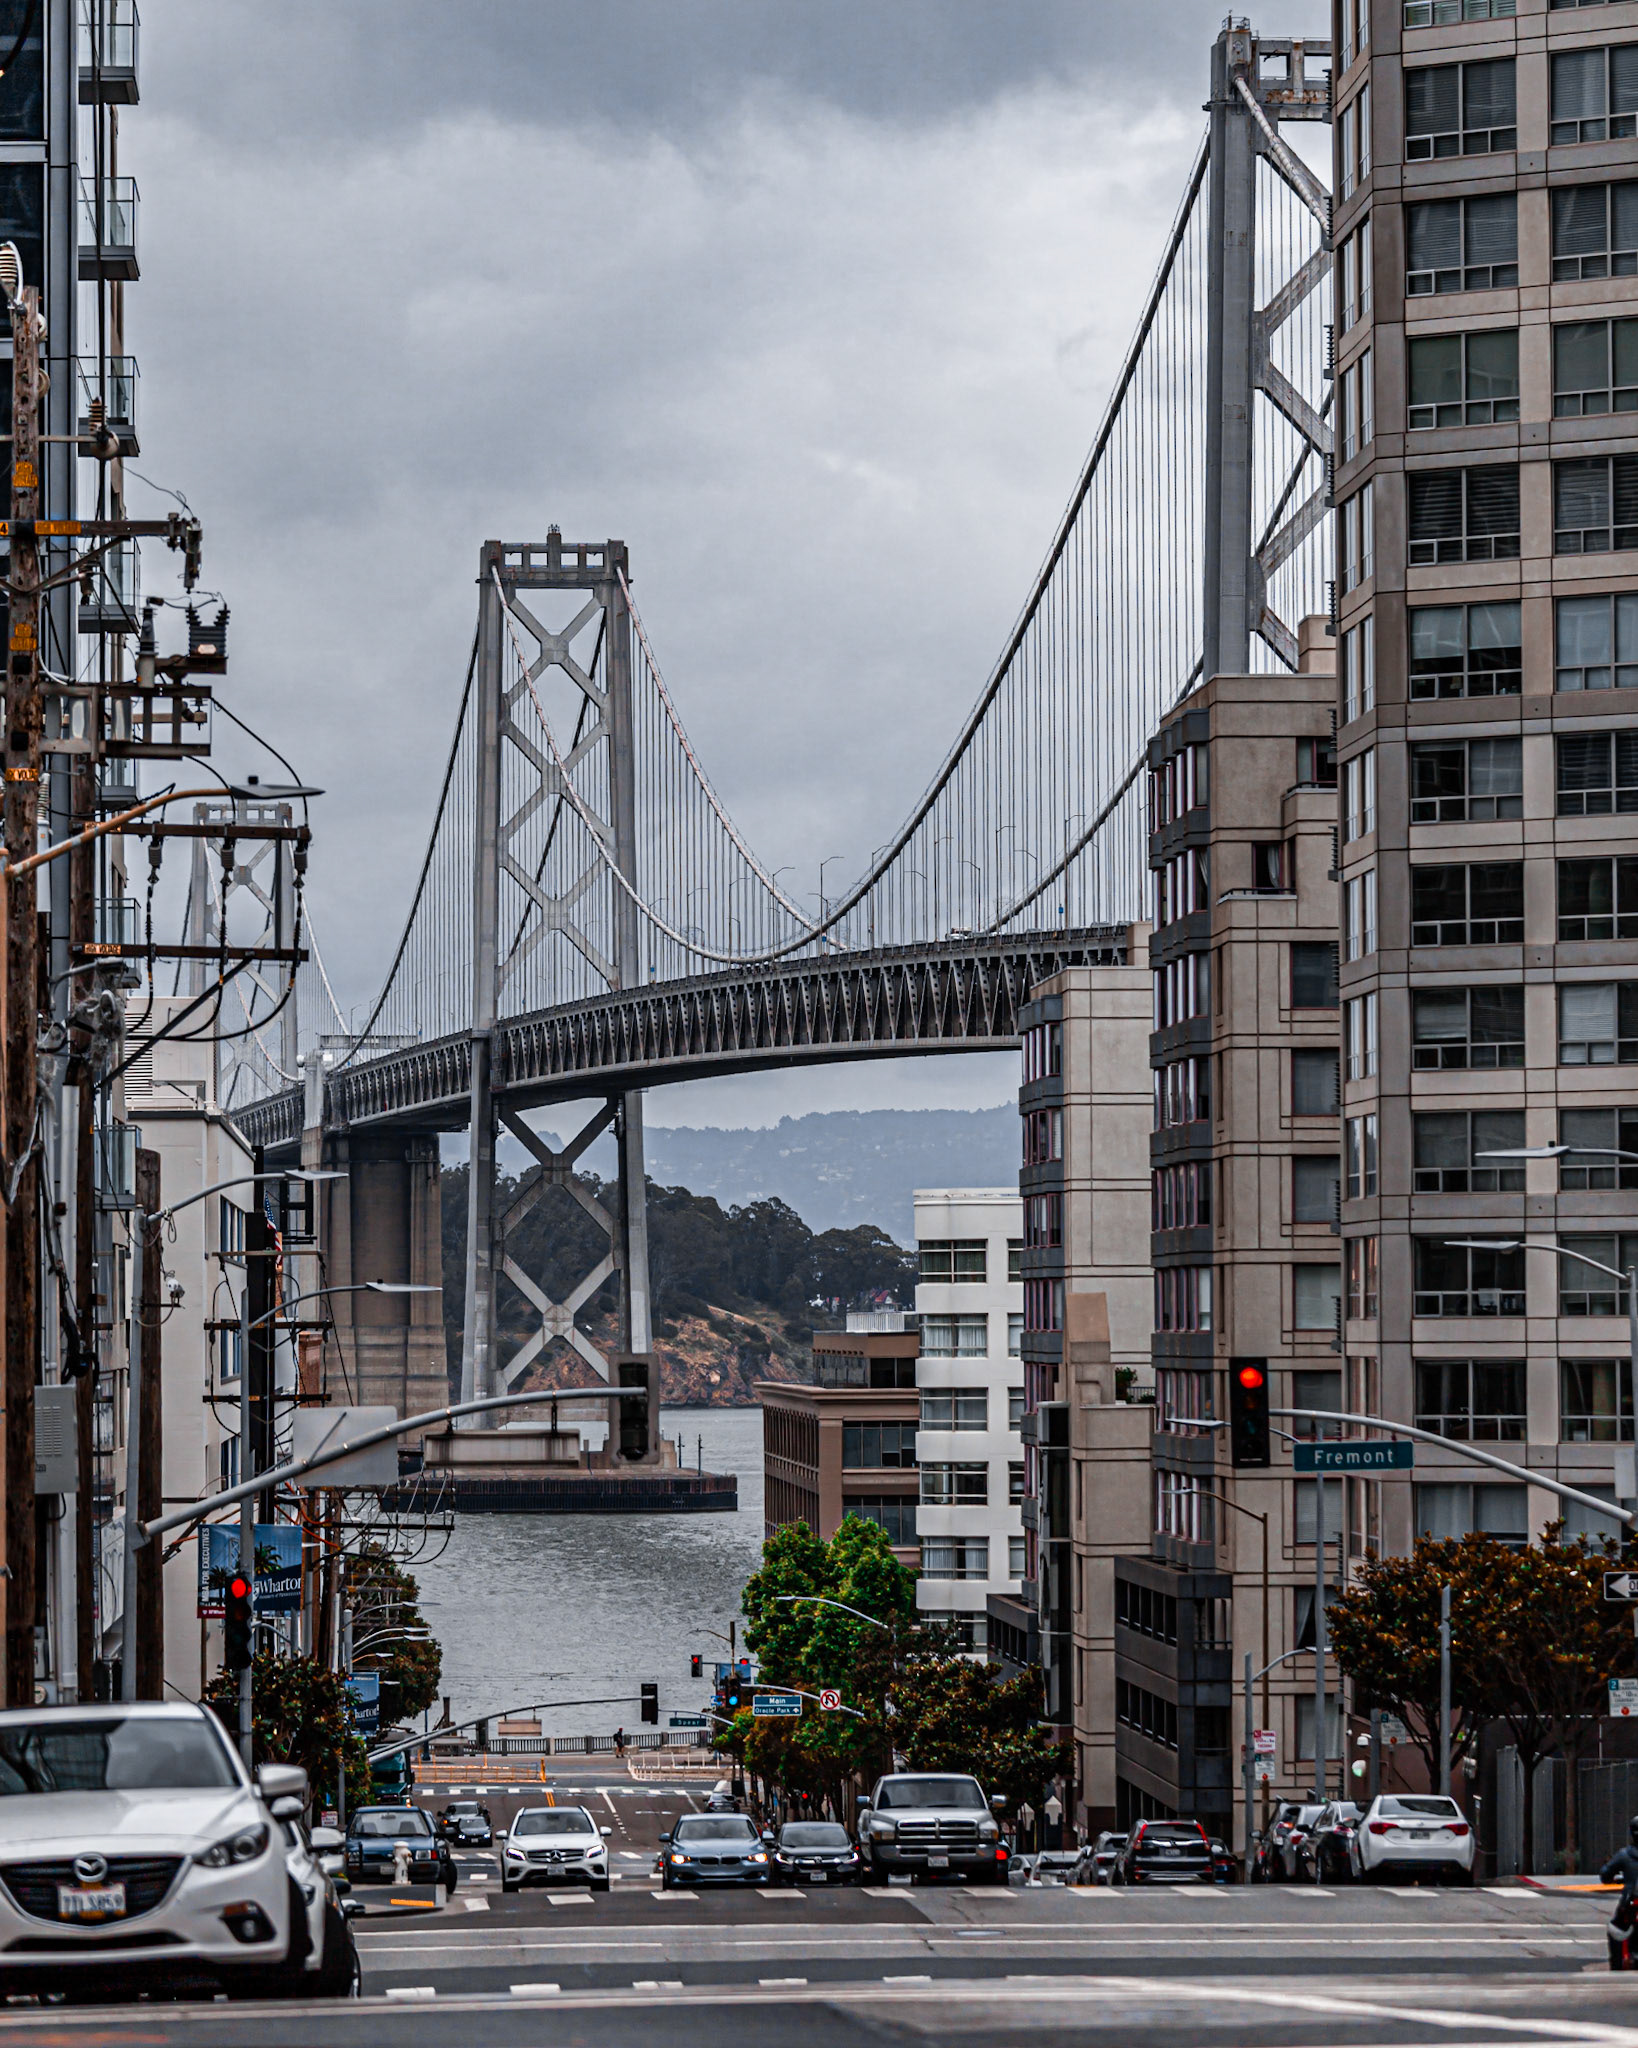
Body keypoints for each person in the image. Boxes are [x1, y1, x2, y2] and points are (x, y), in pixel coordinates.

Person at [1599, 1815, 1638, 1969]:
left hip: (1630, 1904)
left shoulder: (1624, 1854)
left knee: (1614, 1931)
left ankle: (1616, 1966)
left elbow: (1605, 1875)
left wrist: (1613, 1877)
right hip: (1630, 1906)